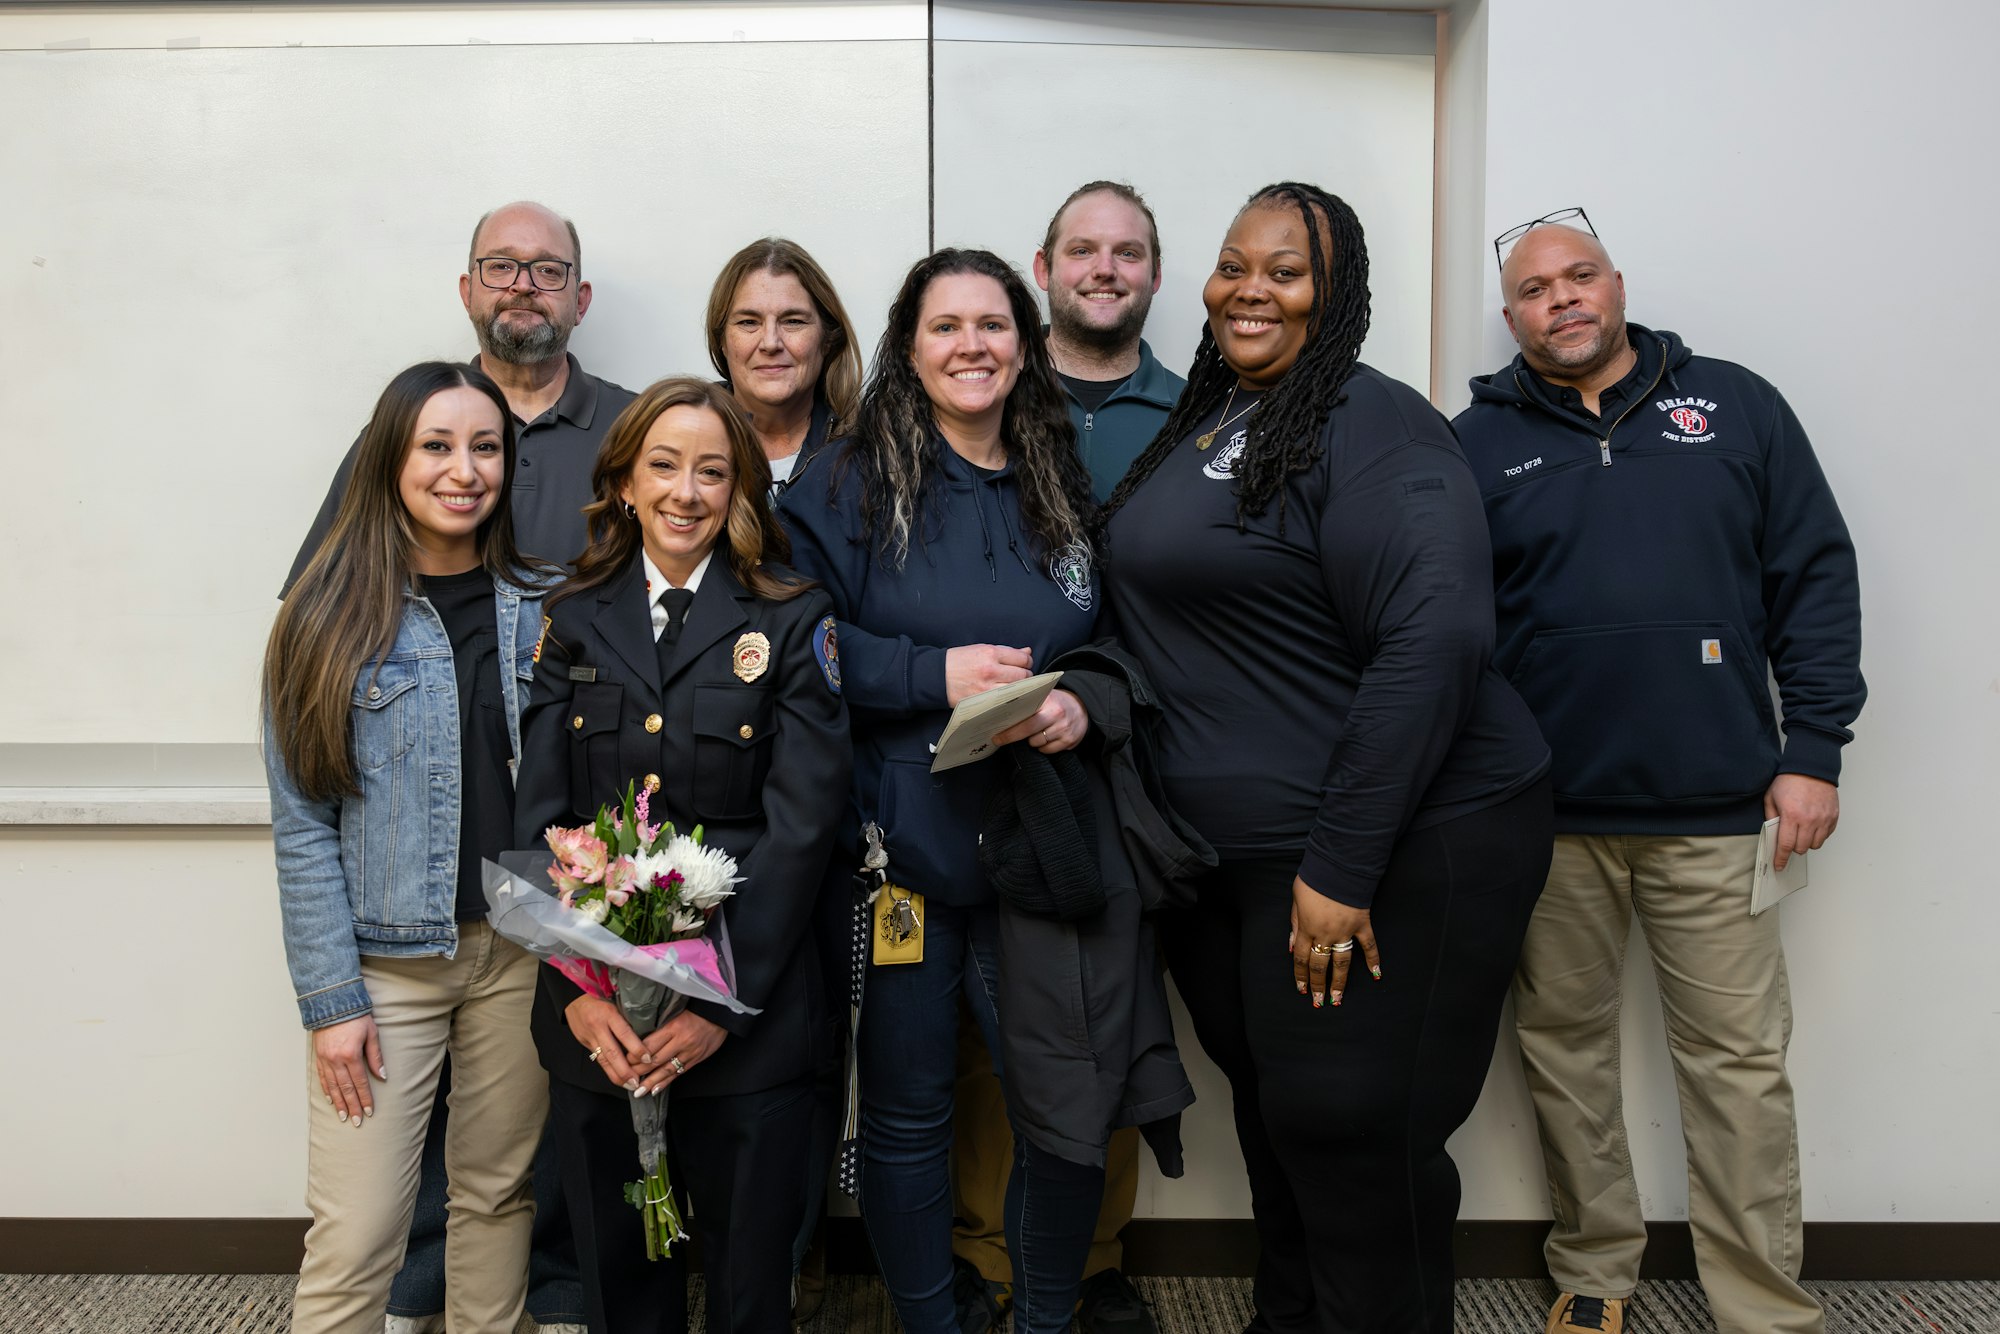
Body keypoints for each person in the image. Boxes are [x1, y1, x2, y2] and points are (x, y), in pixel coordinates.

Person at [1099, 182, 1555, 1334]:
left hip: (1391, 846)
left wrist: (1339, 866)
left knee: (1357, 1139)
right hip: (1234, 861)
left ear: (1334, 293)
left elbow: (1436, 634)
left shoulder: (1373, 419)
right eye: (1231, 264)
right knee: (1281, 1118)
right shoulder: (1209, 418)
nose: (1250, 289)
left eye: (1285, 271)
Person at [1454, 214, 1865, 1334]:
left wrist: (1811, 749)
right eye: (1534, 289)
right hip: (1547, 819)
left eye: (1577, 275)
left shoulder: (1736, 406)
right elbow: (1447, 632)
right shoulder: (1472, 444)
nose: (1561, 299)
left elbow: (1813, 578)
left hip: (1723, 811)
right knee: (1564, 1052)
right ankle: (1593, 1270)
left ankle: (1762, 1303)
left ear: (1616, 282)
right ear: (1512, 316)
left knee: (1736, 1066)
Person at [780, 248, 1180, 1334]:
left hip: (1046, 860)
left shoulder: (1060, 479)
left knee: (1063, 1115)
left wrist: (1080, 705)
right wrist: (930, 674)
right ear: (908, 346)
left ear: (1023, 341)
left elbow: (1113, 646)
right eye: (945, 326)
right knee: (909, 1116)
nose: (971, 346)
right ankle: (928, 1321)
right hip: (901, 859)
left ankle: (1043, 1317)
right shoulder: (840, 482)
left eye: (992, 325)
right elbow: (792, 648)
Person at [513, 377, 851, 1334]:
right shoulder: (573, 615)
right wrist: (577, 995)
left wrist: (715, 1009)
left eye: (713, 471)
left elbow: (800, 834)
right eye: (663, 466)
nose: (686, 491)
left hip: (743, 1024)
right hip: (601, 1028)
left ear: (741, 490)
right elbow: (541, 818)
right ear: (623, 481)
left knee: (749, 1290)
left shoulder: (790, 618)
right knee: (622, 1283)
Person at [263, 361, 555, 1334]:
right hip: (387, 969)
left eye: (484, 446)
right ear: (390, 458)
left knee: (495, 1199)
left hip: (519, 950)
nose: (462, 468)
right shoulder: (321, 621)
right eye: (436, 444)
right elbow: (302, 826)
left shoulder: (547, 606)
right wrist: (333, 1001)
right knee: (359, 1236)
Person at [949, 181, 1187, 1334]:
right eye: (1082, 249)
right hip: (991, 765)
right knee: (997, 1043)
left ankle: (1093, 1263)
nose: (1104, 267)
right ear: (1041, 266)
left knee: (1111, 1024)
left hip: (1127, 757)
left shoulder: (1191, 414)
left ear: (1153, 270)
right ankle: (988, 1258)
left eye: (1127, 251)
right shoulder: (993, 391)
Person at [287, 200, 638, 582]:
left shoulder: (642, 430)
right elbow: (319, 604)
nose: (523, 285)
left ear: (580, 302)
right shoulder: (407, 424)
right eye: (501, 267)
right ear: (468, 293)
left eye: (548, 270)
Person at [704, 237, 862, 499]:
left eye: (793, 321)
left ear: (827, 339)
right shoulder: (678, 441)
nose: (770, 343)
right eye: (748, 322)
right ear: (721, 340)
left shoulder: (875, 454)